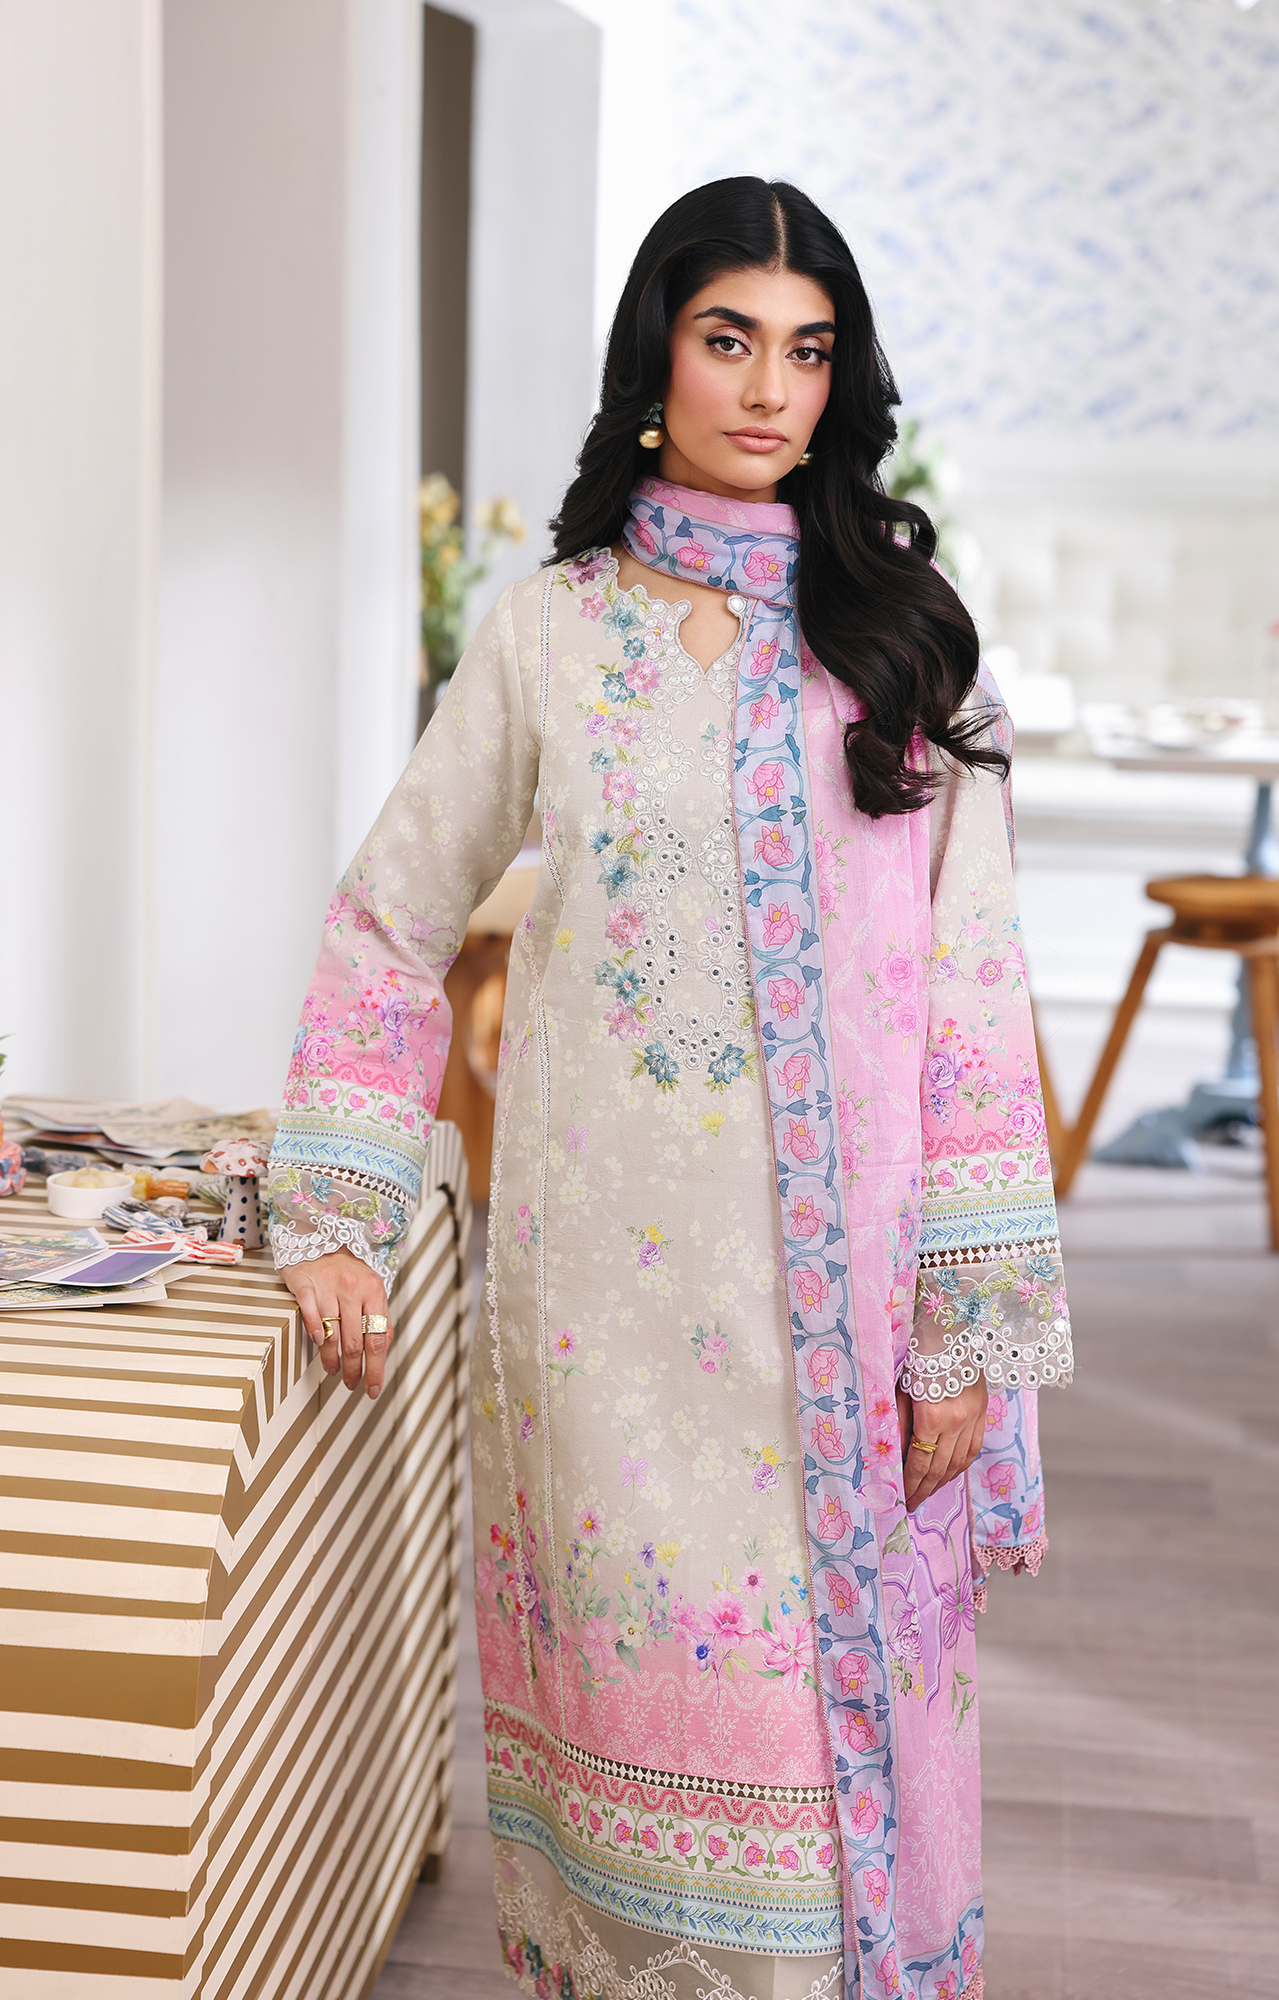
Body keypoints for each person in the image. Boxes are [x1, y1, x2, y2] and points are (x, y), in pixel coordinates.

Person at [269, 177, 1072, 2000]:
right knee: (638, 1799)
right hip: (607, 1340)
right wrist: (335, 1207)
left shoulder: (907, 642)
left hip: (849, 1320)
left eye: (808, 350)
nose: (771, 390)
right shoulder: (553, 633)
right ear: (659, 359)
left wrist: (963, 1325)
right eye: (731, 341)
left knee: (835, 1788)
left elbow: (974, 990)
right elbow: (394, 916)